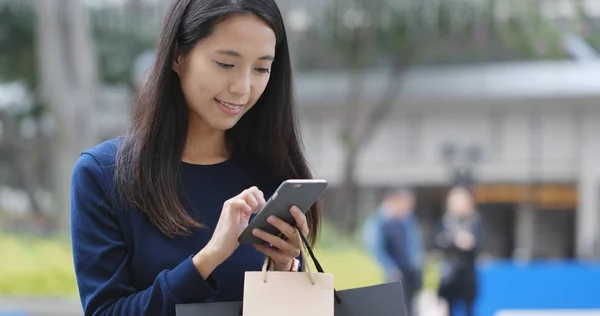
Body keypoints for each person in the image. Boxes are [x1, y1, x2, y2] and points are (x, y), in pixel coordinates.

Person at [69, 1, 321, 315]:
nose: (243, 87)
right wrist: (209, 258)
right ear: (178, 55)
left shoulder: (271, 172)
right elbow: (106, 312)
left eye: (261, 68)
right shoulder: (103, 174)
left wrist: (285, 268)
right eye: (226, 64)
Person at [435, 186, 483, 316]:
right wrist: (455, 240)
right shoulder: (445, 221)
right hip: (450, 276)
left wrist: (470, 242)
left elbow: (479, 245)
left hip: (468, 276)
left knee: (469, 309)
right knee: (449, 309)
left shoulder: (475, 221)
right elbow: (438, 242)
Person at [362, 188, 424, 283]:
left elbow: (414, 244)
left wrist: (417, 263)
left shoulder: (408, 220)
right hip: (391, 275)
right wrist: (390, 268)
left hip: (408, 274)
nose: (407, 207)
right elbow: (375, 249)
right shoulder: (377, 222)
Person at [380, 188, 424, 316]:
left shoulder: (408, 220)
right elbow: (378, 248)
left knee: (411, 307)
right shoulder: (384, 222)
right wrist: (391, 268)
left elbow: (414, 246)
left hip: (411, 272)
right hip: (396, 273)